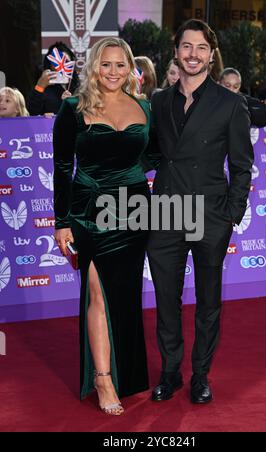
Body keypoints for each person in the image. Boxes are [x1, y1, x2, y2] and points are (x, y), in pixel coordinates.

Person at [147, 19, 254, 404]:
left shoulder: (231, 103)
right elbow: (152, 153)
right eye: (187, 47)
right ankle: (171, 372)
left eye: (201, 48)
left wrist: (231, 214)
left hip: (210, 216)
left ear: (212, 55)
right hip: (165, 212)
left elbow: (242, 166)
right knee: (166, 299)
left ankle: (201, 375)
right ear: (176, 51)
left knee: (208, 300)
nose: (193, 54)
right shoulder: (159, 100)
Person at [53, 37, 151, 416]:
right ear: (94, 67)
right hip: (89, 210)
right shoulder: (73, 110)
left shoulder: (143, 107)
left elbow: (155, 153)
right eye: (106, 64)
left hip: (136, 209)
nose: (113, 72)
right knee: (97, 292)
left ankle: (126, 371)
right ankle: (103, 377)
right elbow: (62, 168)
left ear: (131, 69)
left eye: (120, 65)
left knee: (125, 294)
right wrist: (63, 222)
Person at [28, 42, 80, 116]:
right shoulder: (43, 86)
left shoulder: (80, 88)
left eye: (66, 62)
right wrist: (40, 87)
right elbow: (32, 112)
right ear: (50, 65)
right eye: (57, 63)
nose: (62, 66)